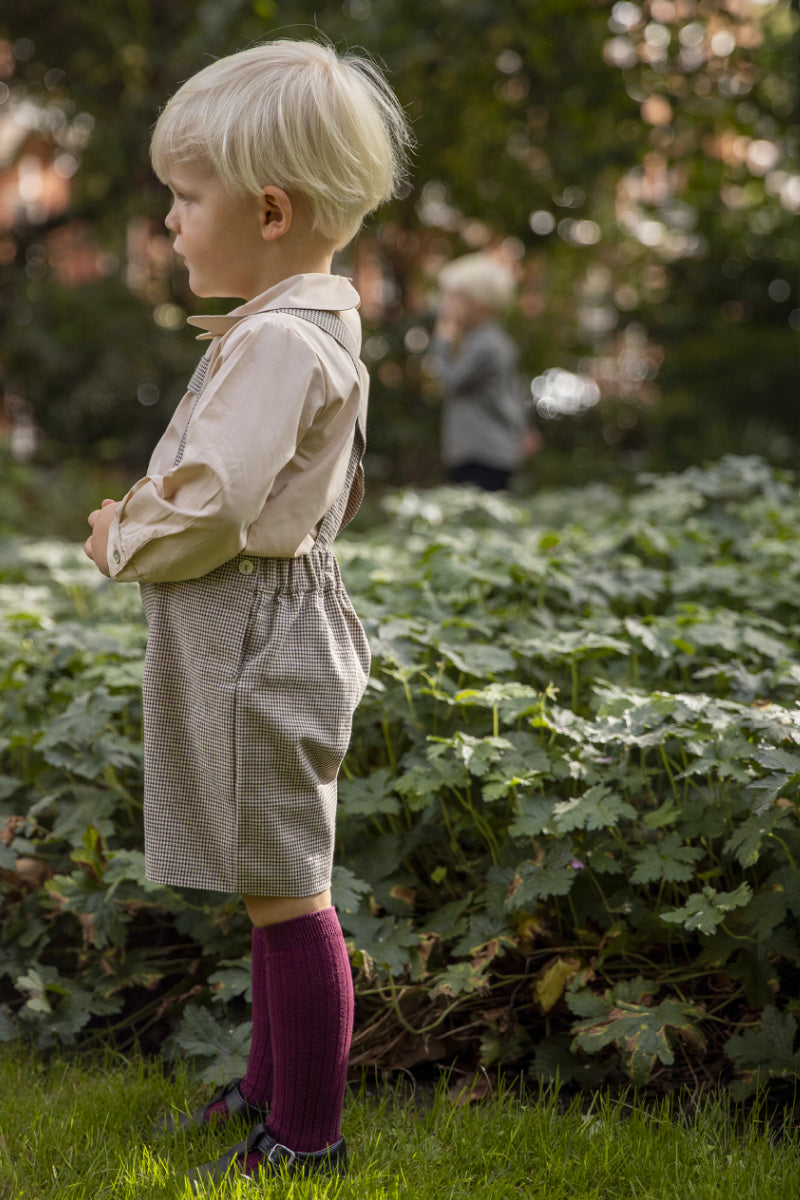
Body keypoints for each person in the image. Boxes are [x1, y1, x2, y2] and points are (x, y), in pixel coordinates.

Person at [83, 39, 411, 1186]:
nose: (170, 220)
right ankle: (268, 1091)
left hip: (257, 630)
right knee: (268, 878)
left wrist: (122, 534)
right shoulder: (299, 321)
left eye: (184, 195)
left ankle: (304, 1132)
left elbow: (219, 501)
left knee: (286, 889)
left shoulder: (278, 338)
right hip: (255, 622)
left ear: (269, 210)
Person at [430, 252, 538, 491]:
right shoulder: (481, 340)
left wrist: (443, 342)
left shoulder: (488, 346)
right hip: (477, 451)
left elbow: (451, 382)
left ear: (479, 303)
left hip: (483, 453)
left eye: (455, 297)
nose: (446, 304)